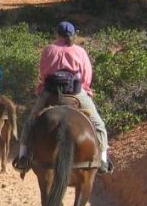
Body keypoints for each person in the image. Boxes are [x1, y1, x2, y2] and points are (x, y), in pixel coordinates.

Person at [13, 21, 113, 174]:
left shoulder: (48, 50)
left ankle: (22, 157)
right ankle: (103, 160)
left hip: (51, 92)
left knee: (30, 121)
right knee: (99, 125)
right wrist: (85, 89)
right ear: (74, 34)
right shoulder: (80, 51)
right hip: (75, 92)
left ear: (56, 33)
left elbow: (43, 73)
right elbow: (87, 75)